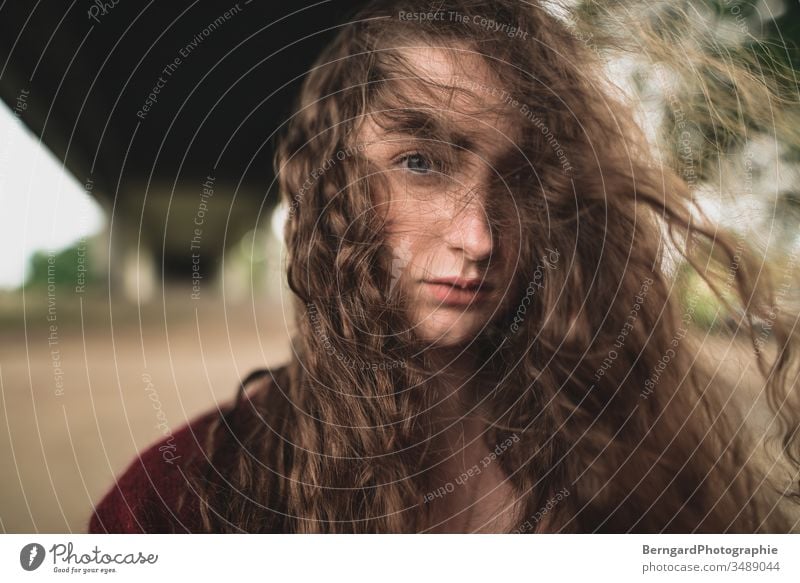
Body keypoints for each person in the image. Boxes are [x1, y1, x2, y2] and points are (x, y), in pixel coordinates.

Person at [89, 0, 800, 533]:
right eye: (421, 163)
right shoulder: (182, 498)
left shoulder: (644, 464)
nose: (479, 236)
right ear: (329, 178)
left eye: (519, 177)